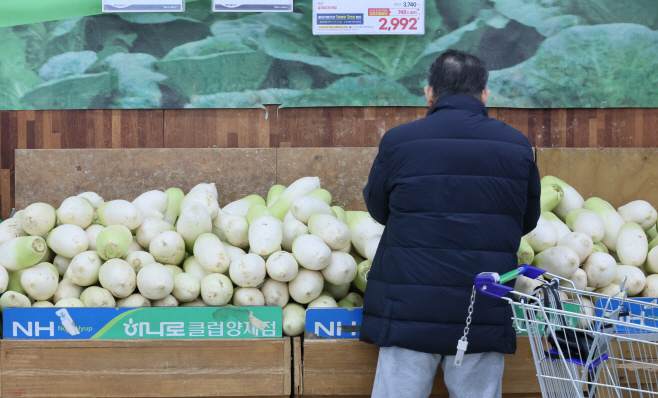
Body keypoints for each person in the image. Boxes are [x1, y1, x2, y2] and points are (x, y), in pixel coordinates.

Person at [360, 49, 541, 398]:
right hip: (482, 303)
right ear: (485, 95)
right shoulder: (516, 145)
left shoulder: (399, 142)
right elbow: (527, 219)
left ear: (429, 92)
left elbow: (379, 209)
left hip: (408, 306)